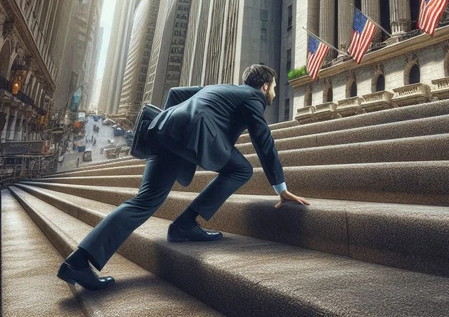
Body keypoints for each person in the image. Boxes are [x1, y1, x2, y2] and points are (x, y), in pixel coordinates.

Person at [57, 65, 308, 291]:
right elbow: (264, 142)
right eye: (274, 87)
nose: (274, 92)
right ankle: (186, 223)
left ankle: (78, 262)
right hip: (181, 137)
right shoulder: (254, 98)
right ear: (264, 87)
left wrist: (172, 130)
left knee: (144, 202)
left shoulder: (222, 88)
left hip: (163, 130)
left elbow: (177, 93)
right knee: (241, 169)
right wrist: (280, 187)